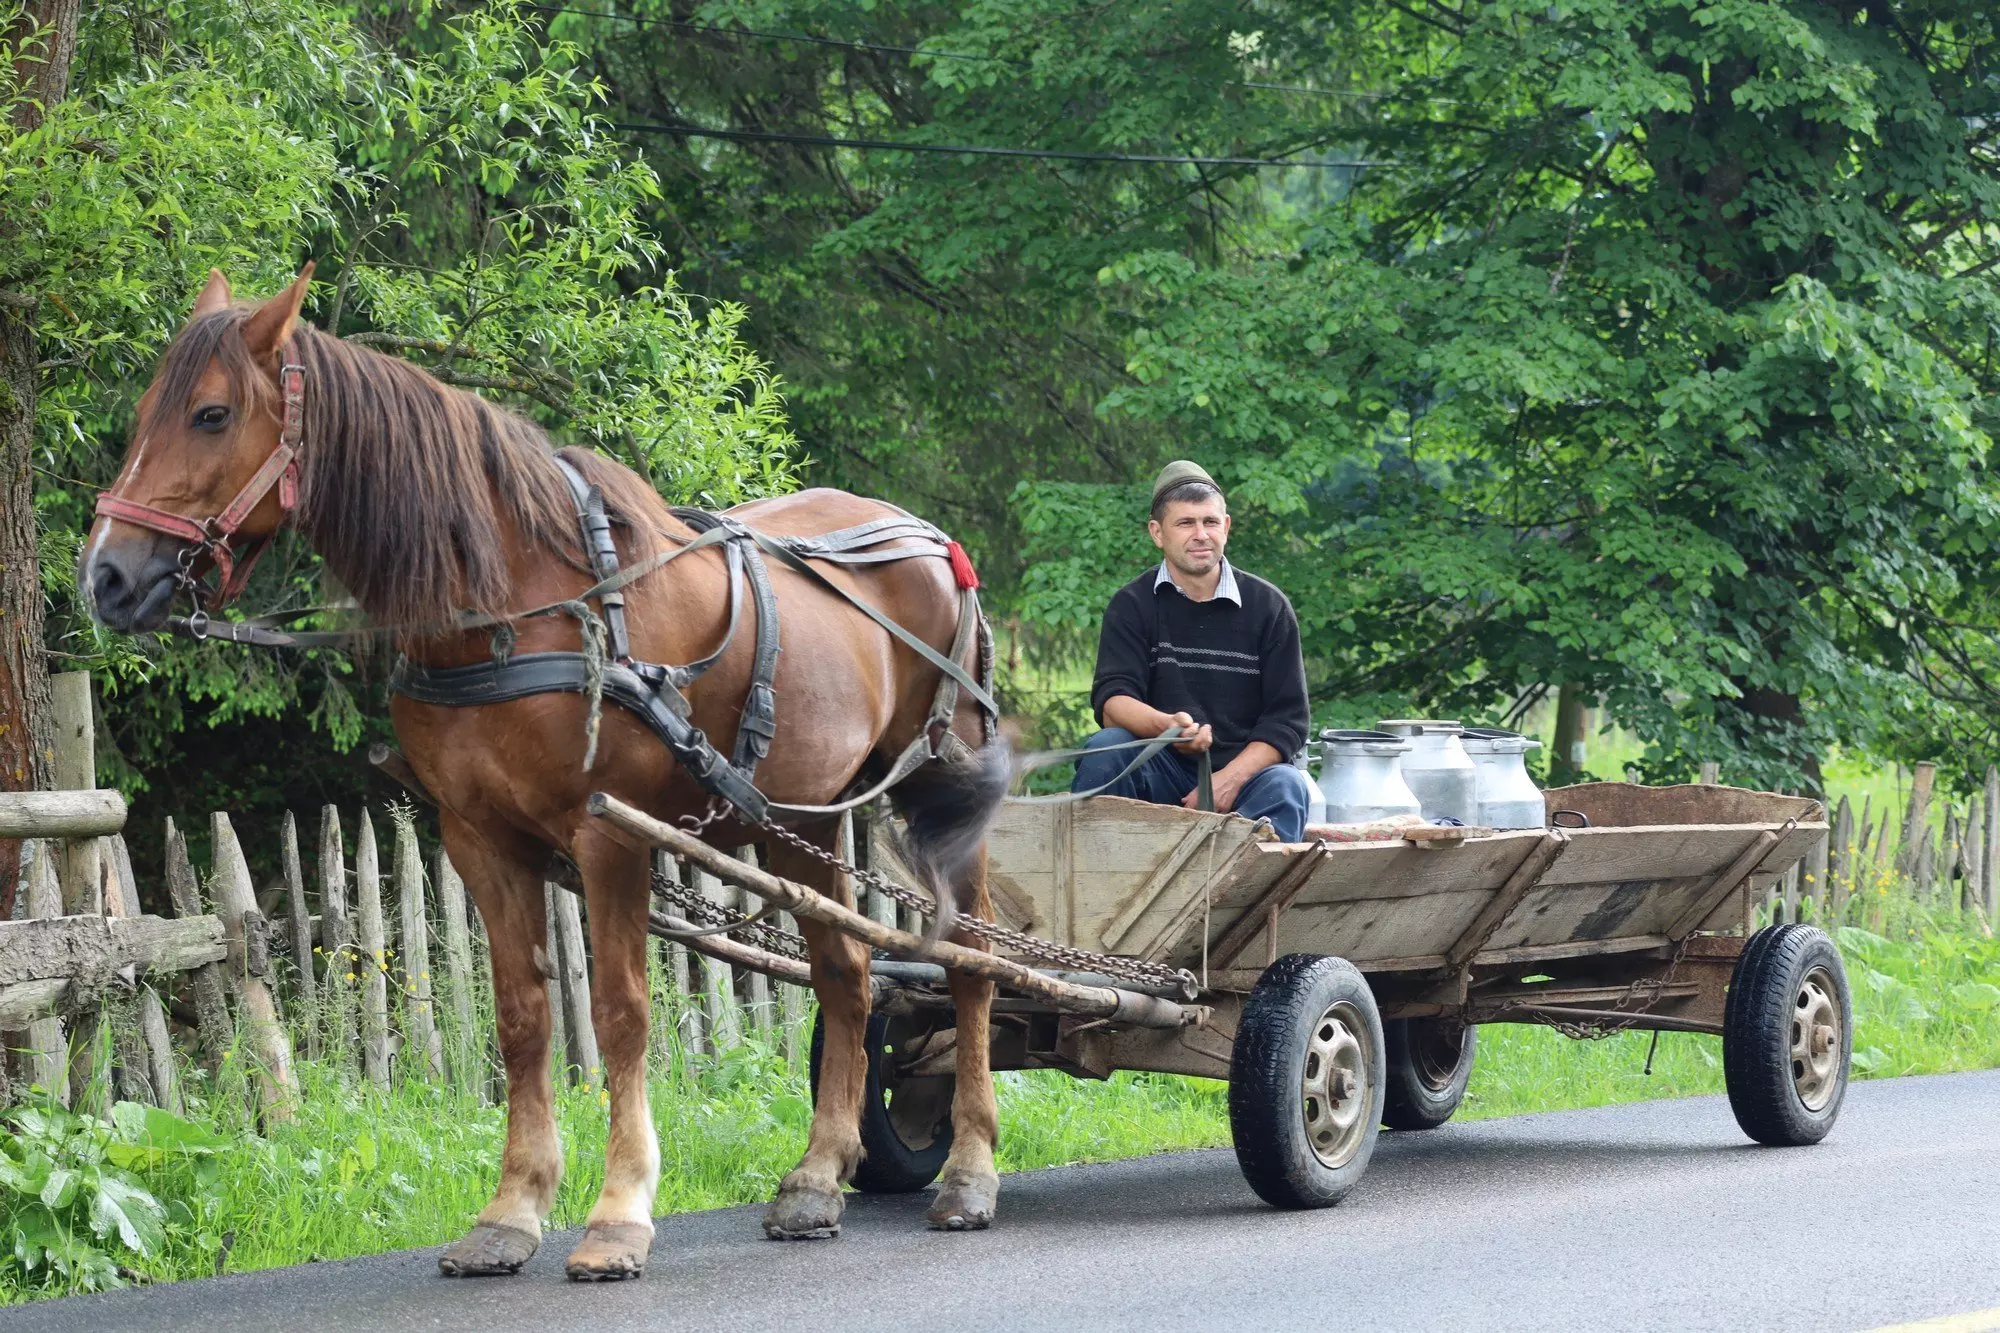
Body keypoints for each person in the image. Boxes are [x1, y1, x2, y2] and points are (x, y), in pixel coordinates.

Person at [1071, 460, 1314, 841]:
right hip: (1160, 767)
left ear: (1226, 527)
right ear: (1157, 533)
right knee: (1106, 750)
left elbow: (1287, 723)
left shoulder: (1269, 607)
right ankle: (1101, 887)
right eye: (1185, 523)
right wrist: (1168, 729)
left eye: (1210, 522)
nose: (1200, 534)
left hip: (1243, 779)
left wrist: (1226, 781)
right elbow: (1113, 701)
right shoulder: (1132, 604)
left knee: (1286, 785)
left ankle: (1246, 898)